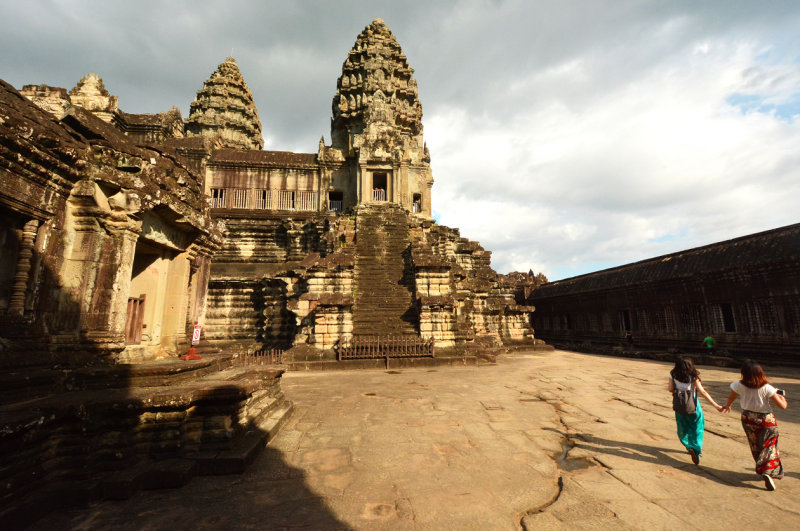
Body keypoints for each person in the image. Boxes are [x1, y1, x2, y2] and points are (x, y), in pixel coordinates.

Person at [721, 359, 788, 490]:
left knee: (755, 445)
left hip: (748, 418)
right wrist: (782, 398)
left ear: (743, 373)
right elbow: (782, 406)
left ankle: (763, 468)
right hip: (765, 420)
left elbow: (731, 397)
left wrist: (727, 406)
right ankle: (767, 471)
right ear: (760, 373)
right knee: (769, 445)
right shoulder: (767, 388)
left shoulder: (738, 385)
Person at [668, 357, 724, 465]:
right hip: (693, 405)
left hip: (679, 405)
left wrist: (678, 389)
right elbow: (703, 392)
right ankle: (696, 448)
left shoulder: (673, 375)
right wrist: (716, 405)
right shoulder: (693, 376)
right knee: (697, 427)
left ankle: (688, 445)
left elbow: (670, 389)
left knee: (682, 427)